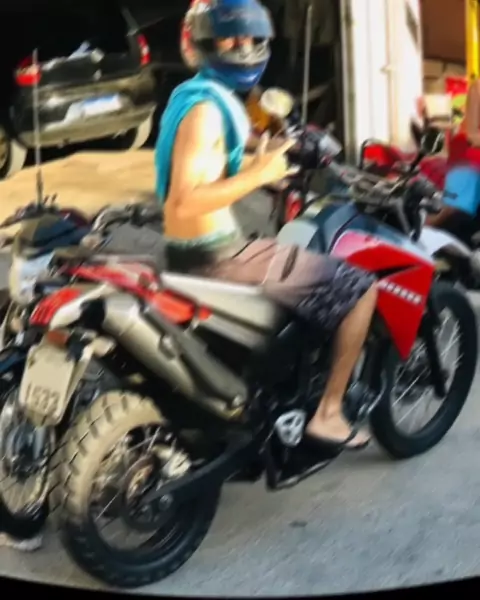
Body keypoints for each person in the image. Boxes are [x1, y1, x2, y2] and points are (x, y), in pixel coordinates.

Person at [155, 0, 377, 449]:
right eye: (230, 38)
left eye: (251, 38)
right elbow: (183, 201)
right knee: (359, 289)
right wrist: (259, 175)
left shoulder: (195, 94)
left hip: (196, 249)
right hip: (216, 255)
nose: (243, 49)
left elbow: (214, 161)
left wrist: (266, 158)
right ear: (205, 42)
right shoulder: (206, 112)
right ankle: (329, 414)